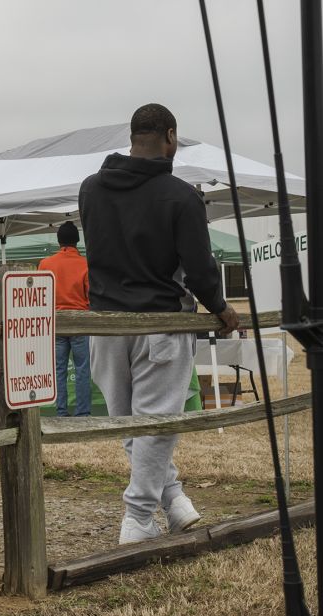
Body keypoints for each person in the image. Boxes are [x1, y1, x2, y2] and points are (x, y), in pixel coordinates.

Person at [79, 103, 239, 545]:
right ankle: (137, 518)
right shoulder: (181, 196)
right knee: (156, 423)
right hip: (161, 319)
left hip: (105, 323)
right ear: (170, 136)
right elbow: (201, 270)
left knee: (132, 423)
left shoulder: (91, 189)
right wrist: (221, 307)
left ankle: (173, 499)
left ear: (132, 137)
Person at [38, 221, 91, 417]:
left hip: (55, 321)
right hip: (80, 320)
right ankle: (83, 413)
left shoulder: (45, 264)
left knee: (59, 369)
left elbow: (39, 295)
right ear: (77, 241)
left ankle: (61, 411)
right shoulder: (86, 264)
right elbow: (90, 295)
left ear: (59, 241)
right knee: (83, 368)